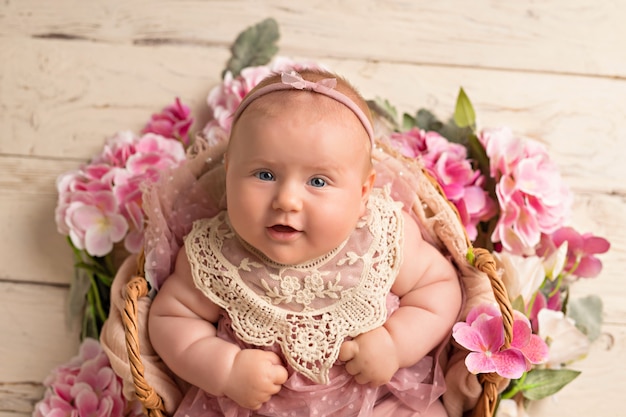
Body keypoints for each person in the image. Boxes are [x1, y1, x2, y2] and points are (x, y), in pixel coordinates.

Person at [148, 69, 462, 417]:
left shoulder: (379, 237)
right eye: (264, 175)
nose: (287, 200)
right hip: (256, 408)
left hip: (376, 401)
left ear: (362, 194)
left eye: (317, 181)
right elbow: (170, 318)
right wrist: (226, 369)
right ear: (229, 172)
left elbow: (438, 287)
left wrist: (395, 343)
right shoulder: (215, 254)